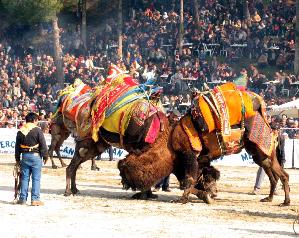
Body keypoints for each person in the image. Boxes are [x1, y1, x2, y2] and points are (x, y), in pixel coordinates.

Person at [15, 112, 48, 206]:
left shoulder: (20, 131)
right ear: (34, 120)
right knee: (36, 179)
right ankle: (35, 199)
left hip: (24, 156)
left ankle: (22, 199)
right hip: (35, 156)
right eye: (37, 120)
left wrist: (17, 159)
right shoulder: (37, 130)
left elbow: (17, 147)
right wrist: (45, 156)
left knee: (24, 178)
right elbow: (43, 144)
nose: (37, 122)